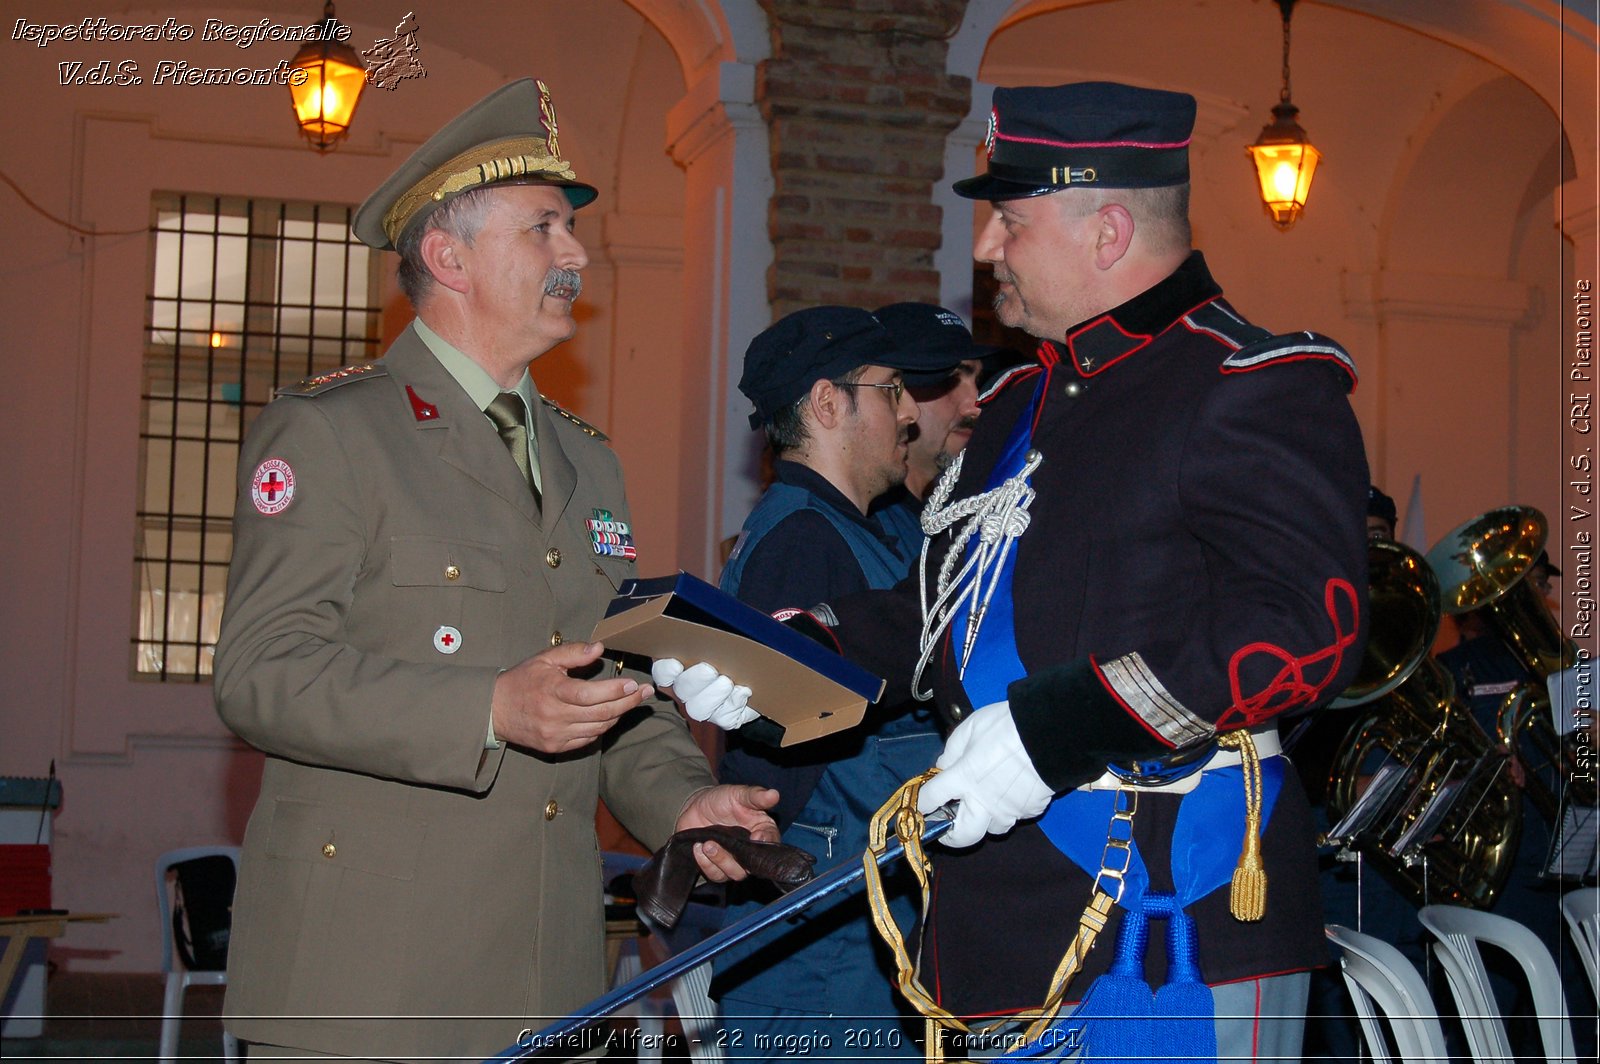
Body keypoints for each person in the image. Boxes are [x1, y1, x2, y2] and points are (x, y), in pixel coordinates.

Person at [663, 81, 1370, 1062]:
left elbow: (1305, 627)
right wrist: (783, 652)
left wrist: (1059, 726)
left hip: (1166, 923)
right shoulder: (1016, 404)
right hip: (997, 928)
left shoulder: (1247, 384)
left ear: (1107, 230)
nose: (986, 247)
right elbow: (940, 612)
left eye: (1008, 218)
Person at [213, 78, 778, 1063]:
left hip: (541, 978)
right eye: (546, 230)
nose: (575, 255)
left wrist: (681, 801)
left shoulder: (584, 457)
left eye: (571, 232)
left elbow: (613, 680)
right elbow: (260, 671)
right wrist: (485, 708)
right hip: (369, 983)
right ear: (449, 255)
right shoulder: (334, 432)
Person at [706, 307, 957, 1057]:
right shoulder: (804, 543)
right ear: (826, 404)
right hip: (825, 934)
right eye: (889, 390)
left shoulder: (857, 526)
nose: (909, 412)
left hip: (861, 918)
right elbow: (766, 758)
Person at [867, 303, 1024, 560]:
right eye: (949, 379)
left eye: (976, 381)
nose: (976, 405)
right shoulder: (865, 528)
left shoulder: (948, 522)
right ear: (893, 388)